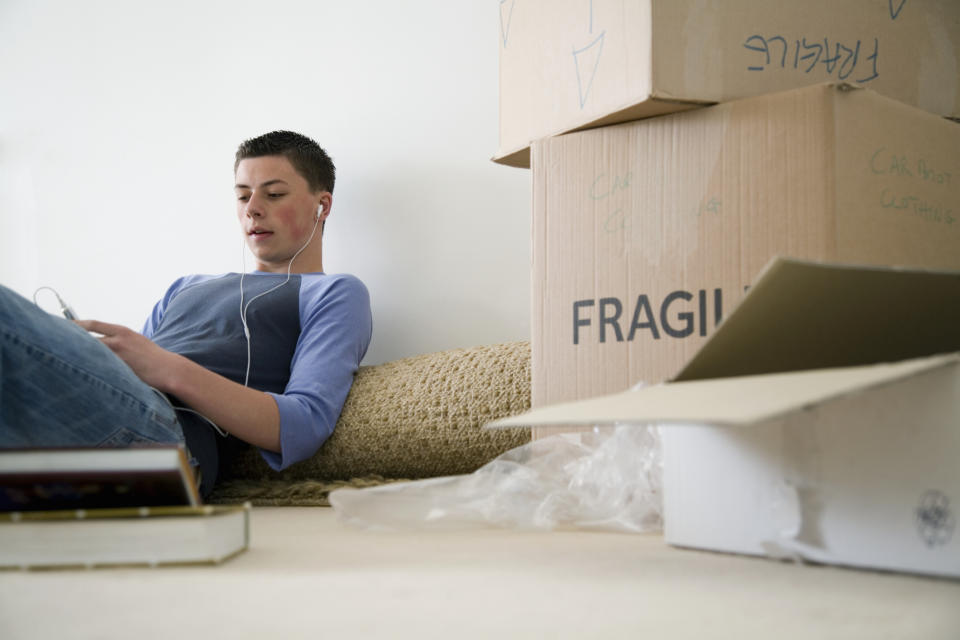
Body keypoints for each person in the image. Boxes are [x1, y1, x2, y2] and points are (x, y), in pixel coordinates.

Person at [0, 131, 373, 496]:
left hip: (172, 441)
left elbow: (304, 424)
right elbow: (133, 379)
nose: (252, 208)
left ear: (322, 206)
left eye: (274, 194)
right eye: (243, 195)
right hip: (109, 412)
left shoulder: (334, 292)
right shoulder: (185, 286)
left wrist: (167, 368)